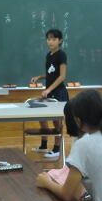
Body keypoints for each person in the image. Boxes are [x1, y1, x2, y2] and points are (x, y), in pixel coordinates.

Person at [30, 29, 69, 159]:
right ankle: (44, 145)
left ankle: (57, 149)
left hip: (58, 92)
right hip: (50, 91)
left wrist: (48, 90)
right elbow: (51, 74)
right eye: (48, 39)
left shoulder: (61, 55)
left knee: (56, 121)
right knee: (42, 116)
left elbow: (62, 76)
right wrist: (40, 77)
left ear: (60, 41)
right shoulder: (49, 55)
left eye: (53, 39)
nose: (50, 42)